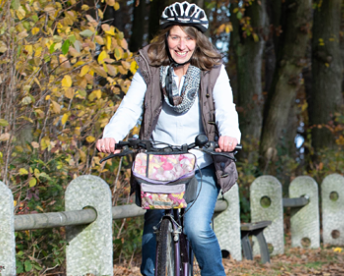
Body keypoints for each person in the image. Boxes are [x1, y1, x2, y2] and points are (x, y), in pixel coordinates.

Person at [95, 2, 239, 276]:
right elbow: (130, 107)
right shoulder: (150, 68)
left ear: (198, 40)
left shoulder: (212, 70)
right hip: (158, 164)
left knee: (197, 228)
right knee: (153, 228)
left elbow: (225, 109)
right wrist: (111, 135)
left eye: (188, 37)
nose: (181, 44)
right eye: (175, 36)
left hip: (200, 162)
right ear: (166, 38)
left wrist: (229, 135)